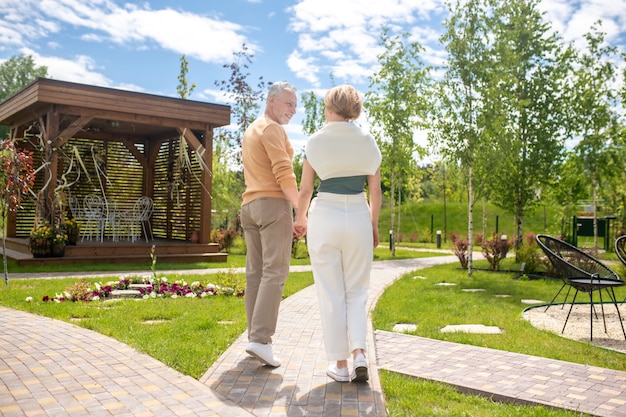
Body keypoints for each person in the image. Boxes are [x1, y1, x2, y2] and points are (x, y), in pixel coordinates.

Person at [293, 84, 382, 383]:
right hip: (358, 213)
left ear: (332, 108)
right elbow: (376, 190)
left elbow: (305, 189)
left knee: (331, 292)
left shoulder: (316, 141)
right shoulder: (368, 141)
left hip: (325, 217)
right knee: (357, 290)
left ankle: (340, 365)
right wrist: (372, 223)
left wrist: (300, 218)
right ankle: (360, 353)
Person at [240, 81, 299, 368]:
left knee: (256, 274)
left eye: (295, 106)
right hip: (273, 205)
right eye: (289, 104)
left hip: (249, 207)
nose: (293, 110)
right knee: (275, 272)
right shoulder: (272, 128)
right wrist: (301, 209)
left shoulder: (252, 129)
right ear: (272, 100)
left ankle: (255, 338)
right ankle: (261, 340)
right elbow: (284, 173)